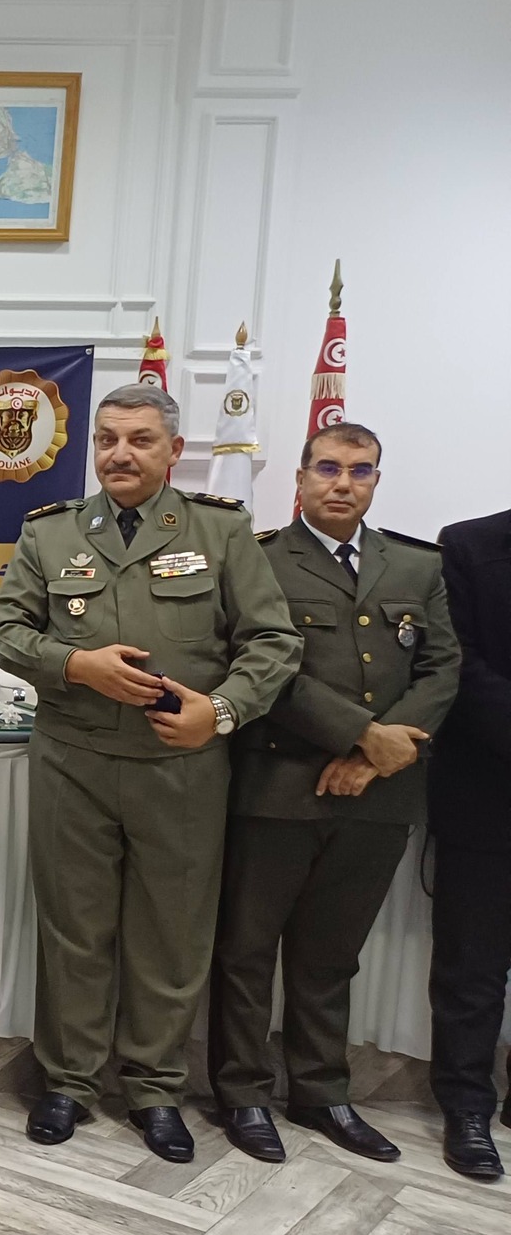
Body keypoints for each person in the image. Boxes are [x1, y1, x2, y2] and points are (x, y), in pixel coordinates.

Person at [0, 381, 299, 1162]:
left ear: (174, 450)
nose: (120, 454)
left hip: (180, 767)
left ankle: (156, 1089)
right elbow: (5, 633)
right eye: (107, 439)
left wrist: (219, 712)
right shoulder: (51, 532)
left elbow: (273, 642)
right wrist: (77, 664)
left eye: (139, 440)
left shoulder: (221, 531)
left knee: (172, 936)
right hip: (74, 762)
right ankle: (68, 1082)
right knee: (74, 930)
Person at [210, 424, 458, 1164]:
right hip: (276, 787)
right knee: (247, 952)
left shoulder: (416, 565)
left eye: (360, 470)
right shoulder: (257, 558)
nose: (342, 483)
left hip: (377, 797)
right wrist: (361, 734)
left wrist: (377, 758)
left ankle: (320, 1092)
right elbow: (259, 665)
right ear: (300, 477)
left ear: (376, 480)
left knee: (330, 956)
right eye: (327, 467)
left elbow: (442, 668)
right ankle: (243, 1093)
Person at [428, 499, 511, 1179]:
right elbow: (457, 662)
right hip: (487, 793)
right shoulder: (468, 545)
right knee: (471, 968)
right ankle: (467, 1108)